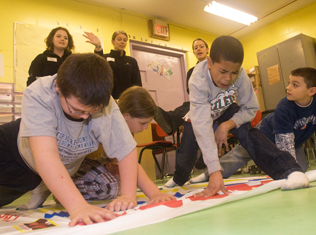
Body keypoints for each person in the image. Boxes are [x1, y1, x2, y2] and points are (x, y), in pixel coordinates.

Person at [0, 53, 141, 226]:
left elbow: (126, 149)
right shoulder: (39, 92)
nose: (83, 117)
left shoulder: (105, 103)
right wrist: (77, 207)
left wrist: (127, 195)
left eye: (91, 112)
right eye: (76, 110)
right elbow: (46, 155)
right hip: (10, 147)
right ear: (58, 86)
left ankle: (42, 186)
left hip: (33, 172)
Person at [164, 36, 309, 196]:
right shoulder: (198, 80)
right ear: (210, 62)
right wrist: (214, 171)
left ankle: (288, 170)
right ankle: (179, 178)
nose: (228, 78)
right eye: (223, 71)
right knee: (187, 149)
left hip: (225, 108)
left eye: (234, 72)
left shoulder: (240, 75)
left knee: (248, 132)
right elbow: (202, 127)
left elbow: (251, 108)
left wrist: (227, 125)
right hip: (200, 114)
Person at [191, 67, 316, 183]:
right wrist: (289, 169)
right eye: (289, 83)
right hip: (265, 135)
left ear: (311, 91)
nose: (288, 87)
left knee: (302, 171)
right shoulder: (285, 106)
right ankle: (208, 174)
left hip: (295, 142)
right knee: (240, 154)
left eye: (295, 85)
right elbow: (284, 142)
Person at [154, 38, 209, 135]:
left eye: (201, 47)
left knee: (191, 107)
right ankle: (169, 121)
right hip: (199, 101)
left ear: (207, 49)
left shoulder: (214, 67)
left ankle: (171, 121)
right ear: (193, 52)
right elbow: (189, 90)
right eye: (196, 48)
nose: (199, 49)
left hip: (213, 100)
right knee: (187, 105)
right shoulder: (191, 72)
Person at [83, 31, 142, 99]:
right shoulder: (105, 58)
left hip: (127, 99)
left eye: (125, 40)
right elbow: (97, 65)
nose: (122, 42)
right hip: (109, 98)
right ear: (112, 41)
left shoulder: (132, 61)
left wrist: (138, 97)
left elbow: (137, 83)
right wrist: (98, 45)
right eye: (119, 39)